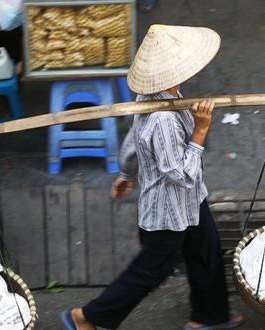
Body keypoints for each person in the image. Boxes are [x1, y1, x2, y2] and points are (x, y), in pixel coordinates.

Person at [60, 24, 244, 330]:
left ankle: (209, 317)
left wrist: (127, 173)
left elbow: (134, 140)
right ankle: (87, 317)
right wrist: (200, 131)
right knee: (152, 269)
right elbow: (180, 174)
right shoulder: (163, 119)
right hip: (168, 209)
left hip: (191, 200)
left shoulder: (156, 94)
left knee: (206, 250)